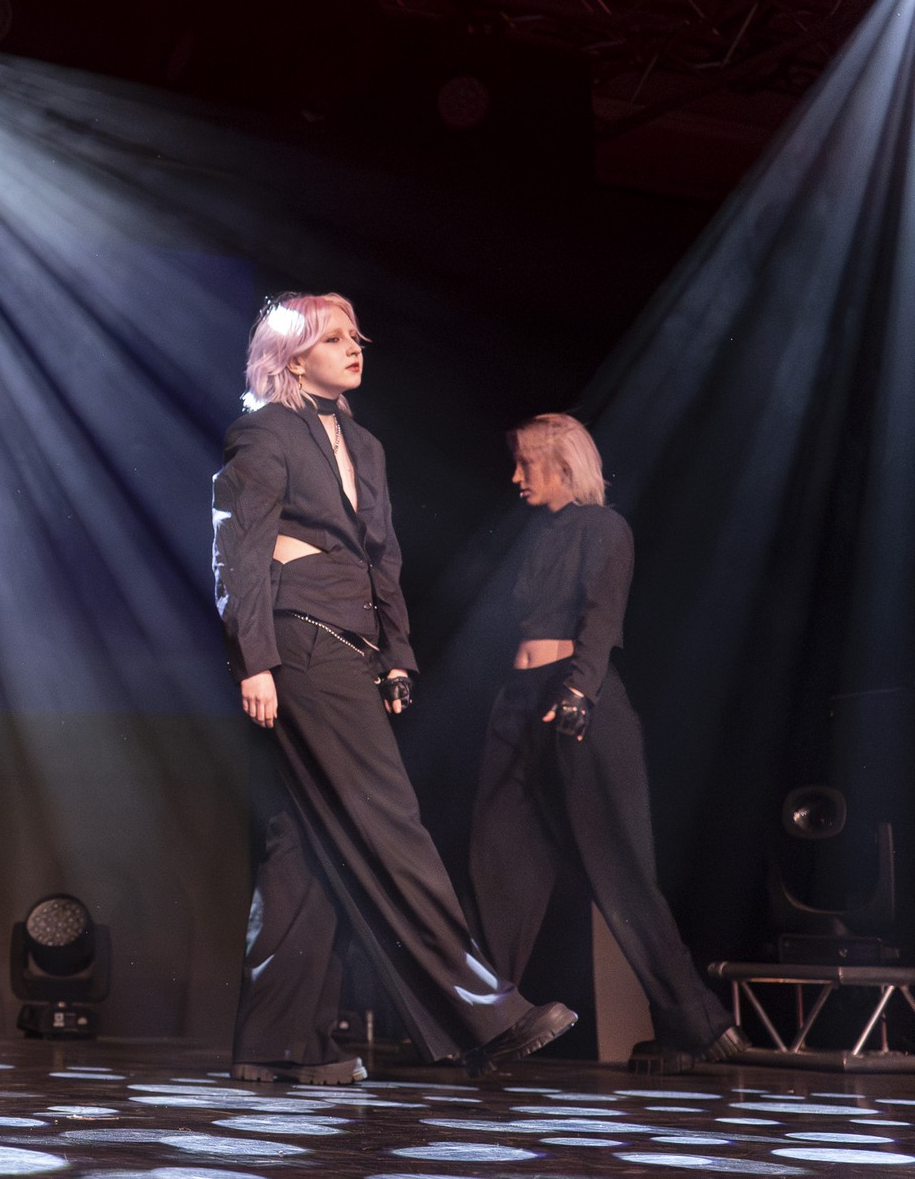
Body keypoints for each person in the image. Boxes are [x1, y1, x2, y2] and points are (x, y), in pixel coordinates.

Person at [211, 292, 574, 1084]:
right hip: (300, 644)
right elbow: (239, 550)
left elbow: (384, 557)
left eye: (357, 337)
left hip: (353, 644)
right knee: (388, 820)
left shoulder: (365, 445)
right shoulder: (264, 431)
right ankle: (484, 1013)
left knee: (302, 843)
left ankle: (278, 1044)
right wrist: (256, 659)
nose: (355, 348)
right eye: (333, 338)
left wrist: (398, 655)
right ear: (292, 357)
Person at [469, 413, 746, 1073]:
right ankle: (484, 1023)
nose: (515, 476)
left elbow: (602, 617)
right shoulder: (537, 536)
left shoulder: (603, 528)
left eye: (526, 463)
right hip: (517, 706)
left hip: (578, 701)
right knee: (498, 863)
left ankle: (695, 1024)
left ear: (564, 465)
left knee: (619, 869)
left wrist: (578, 692)